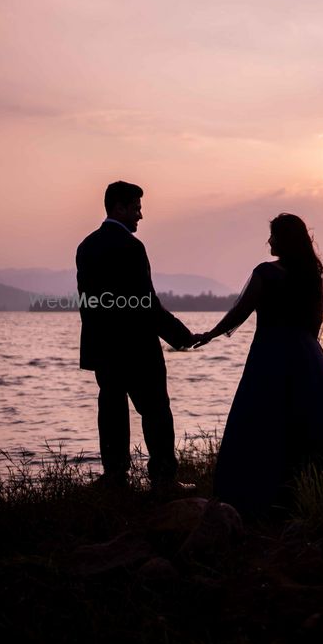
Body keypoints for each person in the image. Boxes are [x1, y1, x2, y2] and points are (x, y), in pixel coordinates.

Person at [194, 213, 323, 512]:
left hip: (270, 354)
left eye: (272, 235)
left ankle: (256, 494)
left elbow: (240, 312)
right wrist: (309, 353)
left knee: (262, 418)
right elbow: (317, 320)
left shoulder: (266, 273)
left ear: (283, 240)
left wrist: (211, 334)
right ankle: (309, 489)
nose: (268, 241)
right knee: (308, 419)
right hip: (306, 352)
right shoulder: (311, 274)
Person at [76, 181, 199, 491]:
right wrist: (181, 336)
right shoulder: (132, 248)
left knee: (112, 410)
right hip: (138, 347)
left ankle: (115, 476)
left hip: (104, 348)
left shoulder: (86, 247)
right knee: (156, 410)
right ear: (119, 207)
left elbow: (88, 304)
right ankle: (163, 479)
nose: (140, 216)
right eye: (137, 208)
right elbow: (146, 304)